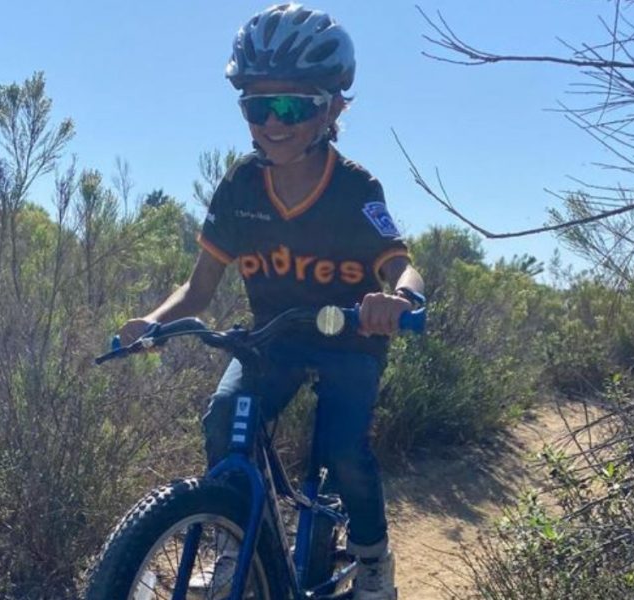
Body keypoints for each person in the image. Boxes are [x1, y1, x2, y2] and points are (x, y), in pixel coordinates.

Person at [118, 4, 425, 598]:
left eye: (293, 107)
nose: (273, 122)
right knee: (223, 421)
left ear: (332, 109)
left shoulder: (355, 187)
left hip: (350, 338)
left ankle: (372, 562)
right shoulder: (239, 187)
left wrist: (400, 298)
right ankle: (238, 549)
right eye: (258, 107)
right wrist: (151, 323)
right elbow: (198, 288)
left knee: (344, 452)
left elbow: (400, 264)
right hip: (272, 341)